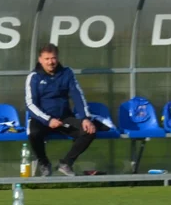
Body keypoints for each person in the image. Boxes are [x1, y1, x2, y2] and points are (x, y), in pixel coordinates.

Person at [25, 43, 111, 177]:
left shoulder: (67, 73)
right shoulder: (34, 77)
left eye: (53, 58)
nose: (50, 62)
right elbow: (30, 104)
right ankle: (44, 163)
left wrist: (85, 119)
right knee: (33, 133)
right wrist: (48, 120)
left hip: (64, 117)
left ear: (57, 58)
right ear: (40, 60)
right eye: (47, 59)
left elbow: (78, 95)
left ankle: (66, 163)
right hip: (42, 120)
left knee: (89, 131)